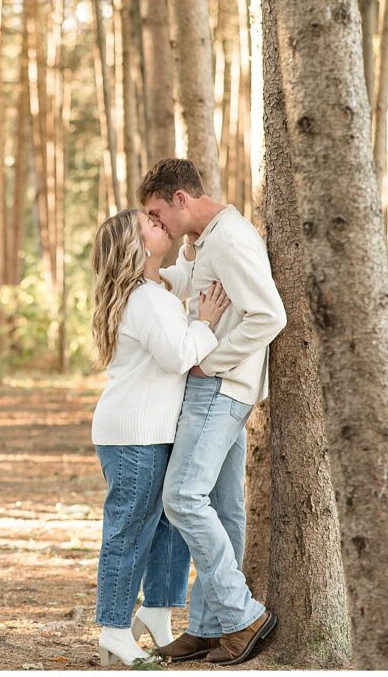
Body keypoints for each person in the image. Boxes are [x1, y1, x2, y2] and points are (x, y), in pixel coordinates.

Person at [138, 158, 287, 665]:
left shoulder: (230, 239)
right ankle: (209, 626)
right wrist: (155, 272)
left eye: (159, 215)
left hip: (220, 386)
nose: (157, 225)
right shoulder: (207, 240)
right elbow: (195, 284)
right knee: (223, 509)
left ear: (181, 199)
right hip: (220, 386)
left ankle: (242, 615)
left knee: (181, 497)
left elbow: (270, 314)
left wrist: (211, 360)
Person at [89, 207, 231, 666]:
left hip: (153, 428)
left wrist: (194, 247)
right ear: (136, 242)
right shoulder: (144, 299)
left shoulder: (154, 289)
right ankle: (113, 628)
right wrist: (205, 322)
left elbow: (183, 280)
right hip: (133, 433)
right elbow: (178, 356)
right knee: (130, 529)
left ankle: (156, 609)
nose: (159, 223)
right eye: (150, 223)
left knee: (169, 523)